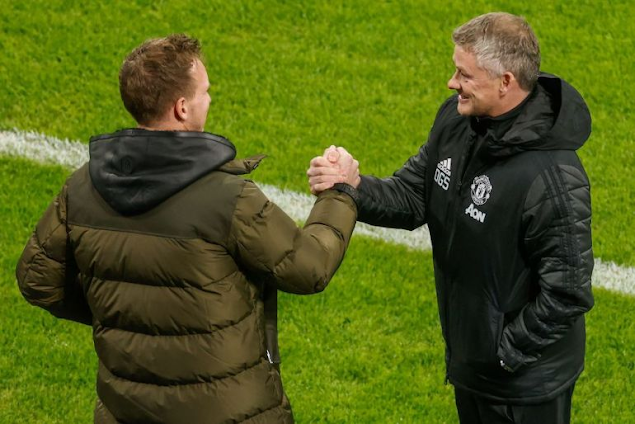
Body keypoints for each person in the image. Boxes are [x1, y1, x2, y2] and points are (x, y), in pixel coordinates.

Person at [16, 34, 360, 424]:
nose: (209, 99)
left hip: (126, 412)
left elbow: (36, 280)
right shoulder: (228, 198)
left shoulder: (80, 188)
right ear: (182, 107)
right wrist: (339, 193)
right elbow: (309, 267)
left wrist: (121, 314)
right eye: (205, 91)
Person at [308, 12, 593, 424]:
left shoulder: (553, 178)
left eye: (464, 74)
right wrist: (351, 187)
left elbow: (567, 292)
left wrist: (503, 354)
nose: (451, 82)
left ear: (506, 82)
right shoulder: (456, 122)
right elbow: (412, 196)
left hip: (524, 389)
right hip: (472, 368)